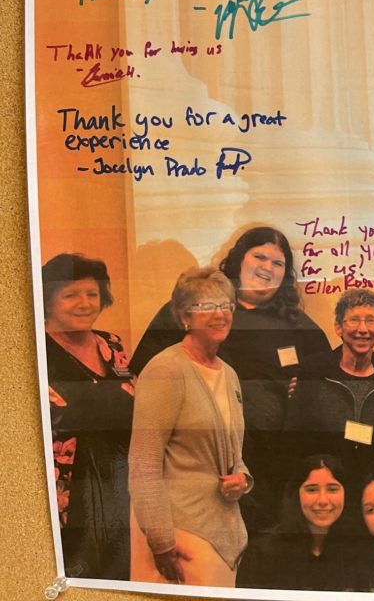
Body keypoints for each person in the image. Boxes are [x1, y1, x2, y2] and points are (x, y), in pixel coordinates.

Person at [130, 226, 331, 533]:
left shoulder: (299, 326)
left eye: (277, 263)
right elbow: (144, 375)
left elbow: (325, 385)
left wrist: (301, 389)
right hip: (199, 461)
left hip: (272, 465)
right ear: (239, 259)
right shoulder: (193, 309)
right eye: (259, 256)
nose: (267, 267)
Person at [128, 267, 251, 587]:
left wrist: (242, 478)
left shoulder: (229, 374)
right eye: (206, 306)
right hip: (179, 537)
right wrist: (161, 542)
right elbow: (143, 463)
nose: (219, 314)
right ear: (184, 316)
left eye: (225, 305)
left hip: (224, 533)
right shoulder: (165, 370)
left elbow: (231, 451)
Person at [43, 253, 134, 580]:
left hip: (119, 482)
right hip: (66, 486)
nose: (84, 303)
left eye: (92, 294)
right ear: (49, 300)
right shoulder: (36, 350)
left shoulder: (112, 344)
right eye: (71, 295)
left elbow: (133, 403)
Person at [287, 290, 374, 491]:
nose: (362, 329)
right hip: (323, 487)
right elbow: (295, 437)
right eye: (353, 320)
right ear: (338, 327)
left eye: (370, 321)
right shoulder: (314, 370)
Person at [237, 454, 360, 591]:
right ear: (296, 495)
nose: (323, 501)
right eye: (312, 489)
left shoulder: (359, 555)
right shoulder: (261, 554)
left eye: (332, 489)